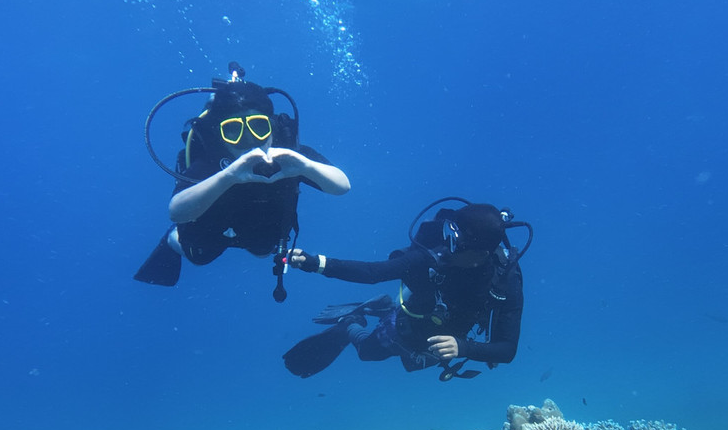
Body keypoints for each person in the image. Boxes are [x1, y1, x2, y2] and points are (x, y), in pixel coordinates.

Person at [135, 63, 350, 301]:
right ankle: (171, 239)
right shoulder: (211, 160)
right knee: (199, 256)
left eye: (259, 126)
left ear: (272, 124)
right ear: (219, 135)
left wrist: (305, 166)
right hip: (213, 218)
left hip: (260, 220)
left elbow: (342, 185)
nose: (249, 141)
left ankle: (256, 241)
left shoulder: (289, 156)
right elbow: (176, 212)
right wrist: (228, 176)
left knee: (262, 249)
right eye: (233, 131)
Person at [283, 199, 529, 381]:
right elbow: (374, 273)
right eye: (448, 236)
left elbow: (507, 349)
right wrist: (314, 263)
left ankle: (381, 306)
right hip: (414, 319)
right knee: (367, 353)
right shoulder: (438, 256)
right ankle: (350, 322)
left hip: (449, 337)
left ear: (481, 254)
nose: (446, 247)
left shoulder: (506, 280)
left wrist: (464, 347)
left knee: (415, 358)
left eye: (455, 244)